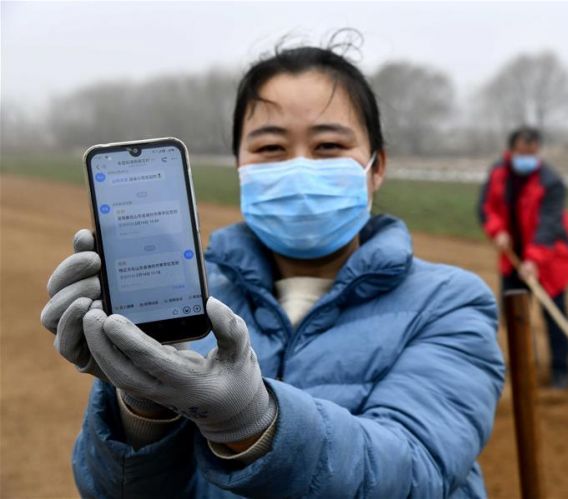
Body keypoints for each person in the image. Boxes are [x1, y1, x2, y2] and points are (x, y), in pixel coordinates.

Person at [40, 38, 505, 498]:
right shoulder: (189, 298)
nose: (299, 166)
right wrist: (142, 404)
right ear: (240, 166)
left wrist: (255, 423)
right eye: (270, 149)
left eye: (327, 145)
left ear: (376, 166)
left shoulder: (450, 302)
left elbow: (414, 472)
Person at [478, 127, 568, 389]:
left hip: (549, 260)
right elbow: (486, 208)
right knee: (514, 314)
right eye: (523, 152)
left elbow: (549, 225)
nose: (528, 158)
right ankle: (524, 365)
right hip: (512, 258)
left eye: (532, 153)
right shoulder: (498, 174)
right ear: (512, 151)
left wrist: (534, 260)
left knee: (555, 315)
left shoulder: (551, 182)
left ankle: (561, 371)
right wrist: (496, 231)